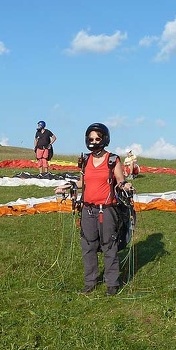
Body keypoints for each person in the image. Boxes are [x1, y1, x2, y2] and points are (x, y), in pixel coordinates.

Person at [55, 123, 134, 296]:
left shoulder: (113, 160)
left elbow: (120, 180)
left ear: (104, 139)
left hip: (107, 210)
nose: (94, 141)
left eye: (97, 138)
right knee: (88, 246)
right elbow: (82, 182)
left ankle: (112, 283)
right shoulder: (85, 160)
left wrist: (125, 185)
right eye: (91, 138)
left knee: (109, 245)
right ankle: (89, 282)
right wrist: (67, 186)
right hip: (87, 210)